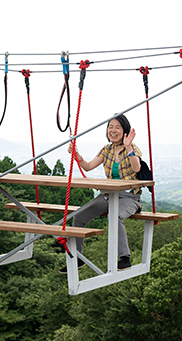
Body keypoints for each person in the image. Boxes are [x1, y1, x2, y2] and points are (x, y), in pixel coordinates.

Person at [59, 114, 142, 273]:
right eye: (110, 126)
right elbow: (88, 166)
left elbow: (136, 168)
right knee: (79, 216)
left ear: (124, 129)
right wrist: (76, 154)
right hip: (109, 196)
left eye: (117, 127)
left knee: (114, 216)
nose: (113, 130)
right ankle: (78, 258)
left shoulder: (132, 148)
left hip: (129, 197)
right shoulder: (107, 150)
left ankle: (125, 257)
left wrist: (128, 146)